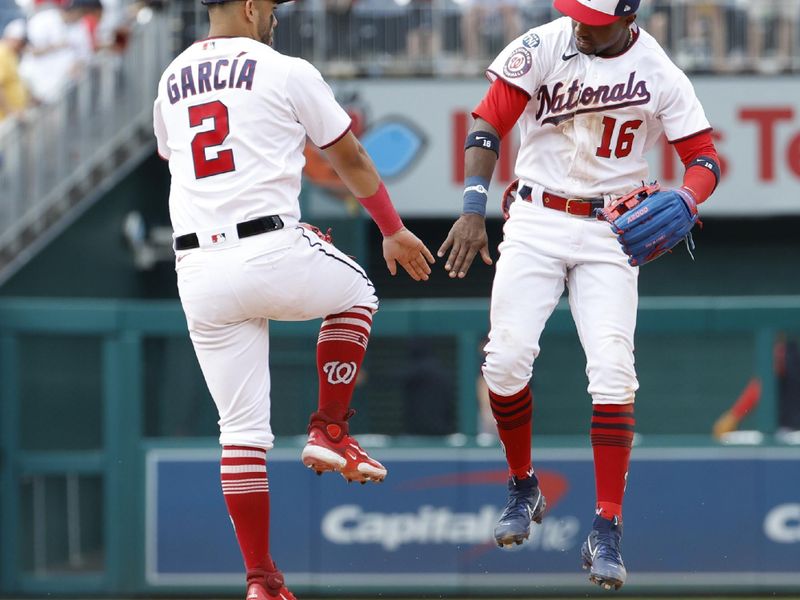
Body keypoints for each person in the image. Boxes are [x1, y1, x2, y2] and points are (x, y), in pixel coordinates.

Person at [152, 1, 435, 598]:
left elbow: (172, 156)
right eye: (272, 6)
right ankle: (331, 428)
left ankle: (261, 580)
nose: (276, 15)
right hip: (268, 246)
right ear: (252, 7)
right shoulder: (285, 69)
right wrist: (390, 227)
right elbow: (351, 157)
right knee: (357, 291)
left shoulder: (172, 75)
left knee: (241, 432)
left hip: (197, 269)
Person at [438, 0, 720, 591]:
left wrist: (690, 197)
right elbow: (489, 124)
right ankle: (523, 484)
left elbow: (704, 158)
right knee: (506, 359)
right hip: (536, 218)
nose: (579, 25)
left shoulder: (659, 70)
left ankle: (607, 527)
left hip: (611, 229)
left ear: (626, 17)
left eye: (592, 18)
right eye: (574, 13)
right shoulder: (546, 44)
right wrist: (472, 206)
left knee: (614, 371)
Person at [0, 18, 29, 120]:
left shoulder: (11, 54)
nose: (22, 47)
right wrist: (10, 111)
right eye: (21, 43)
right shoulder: (2, 54)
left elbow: (15, 81)